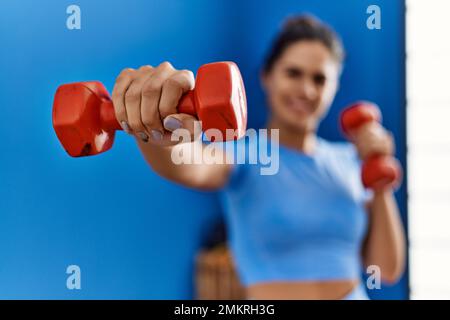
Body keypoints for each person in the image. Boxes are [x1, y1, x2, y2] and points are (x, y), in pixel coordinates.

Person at [110, 15, 406, 300]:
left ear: (334, 88)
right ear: (267, 77)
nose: (306, 89)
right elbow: (190, 163)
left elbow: (387, 269)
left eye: (319, 79)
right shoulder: (248, 152)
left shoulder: (349, 160)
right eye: (293, 73)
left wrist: (379, 176)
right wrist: (161, 135)